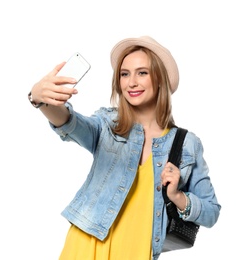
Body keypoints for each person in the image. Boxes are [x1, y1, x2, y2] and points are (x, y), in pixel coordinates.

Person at [28, 36, 221, 260]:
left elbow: (211, 212)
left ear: (160, 79)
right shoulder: (108, 125)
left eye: (142, 73)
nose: (131, 82)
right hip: (86, 245)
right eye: (124, 74)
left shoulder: (187, 144)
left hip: (136, 251)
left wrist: (178, 196)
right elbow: (69, 123)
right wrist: (41, 100)